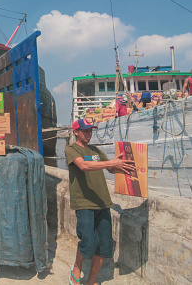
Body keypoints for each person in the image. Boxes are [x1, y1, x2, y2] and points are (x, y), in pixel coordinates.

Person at [65, 119, 135, 285]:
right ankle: (77, 266)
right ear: (76, 132)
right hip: (84, 203)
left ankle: (92, 280)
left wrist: (124, 165)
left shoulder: (96, 150)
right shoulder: (71, 149)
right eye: (85, 131)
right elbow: (83, 166)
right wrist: (111, 162)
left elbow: (110, 168)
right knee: (88, 240)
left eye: (91, 131)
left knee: (103, 246)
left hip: (103, 202)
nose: (89, 134)